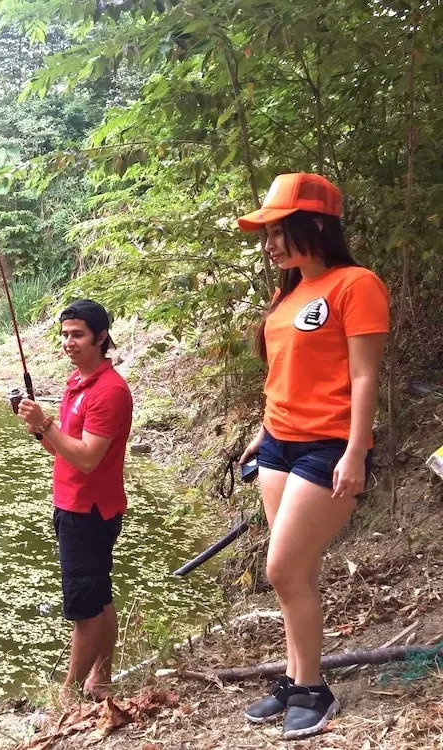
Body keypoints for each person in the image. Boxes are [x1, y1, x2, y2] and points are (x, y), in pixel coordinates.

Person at [235, 173, 389, 740]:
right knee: (294, 574)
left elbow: (364, 375)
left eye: (280, 231)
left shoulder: (356, 284)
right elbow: (285, 373)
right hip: (279, 443)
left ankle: (316, 690)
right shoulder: (287, 294)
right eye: (267, 235)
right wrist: (263, 430)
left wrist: (356, 451)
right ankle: (296, 678)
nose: (270, 245)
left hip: (328, 446)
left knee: (281, 568)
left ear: (317, 225)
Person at [16, 299, 133, 703]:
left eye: (78, 334)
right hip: (73, 505)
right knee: (99, 598)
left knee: (84, 608)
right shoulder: (76, 384)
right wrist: (40, 430)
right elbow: (64, 449)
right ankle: (101, 680)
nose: (69, 342)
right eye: (65, 335)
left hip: (89, 512)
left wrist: (46, 423)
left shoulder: (109, 391)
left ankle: (67, 696)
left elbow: (87, 459)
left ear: (101, 337)